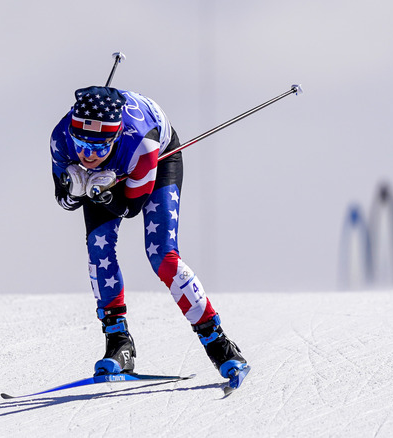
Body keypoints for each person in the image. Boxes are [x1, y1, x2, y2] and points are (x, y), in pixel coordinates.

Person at [50, 86, 247, 380]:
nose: (88, 155)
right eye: (82, 145)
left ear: (114, 138)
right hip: (113, 170)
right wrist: (75, 188)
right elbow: (63, 202)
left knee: (162, 256)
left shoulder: (142, 143)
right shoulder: (61, 137)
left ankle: (218, 342)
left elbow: (131, 207)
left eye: (99, 148)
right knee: (98, 248)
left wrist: (101, 192)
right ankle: (118, 343)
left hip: (158, 158)